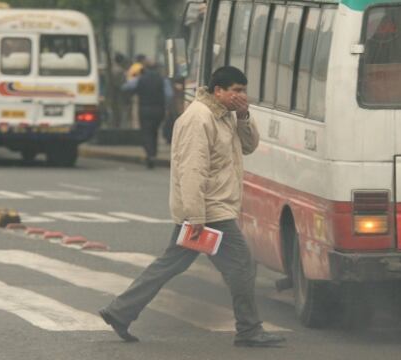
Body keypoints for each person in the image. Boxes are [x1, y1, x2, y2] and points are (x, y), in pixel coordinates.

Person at [99, 66, 286, 348]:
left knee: (169, 265)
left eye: (244, 91)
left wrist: (244, 115)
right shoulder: (199, 118)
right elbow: (192, 170)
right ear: (217, 91)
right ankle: (249, 329)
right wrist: (196, 215)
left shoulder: (224, 116)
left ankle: (119, 312)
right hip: (209, 211)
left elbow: (248, 146)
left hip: (209, 209)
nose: (240, 96)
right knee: (242, 265)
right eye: (235, 90)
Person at [121, 60, 171, 168]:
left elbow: (126, 87)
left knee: (146, 132)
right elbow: (169, 94)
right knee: (154, 131)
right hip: (159, 109)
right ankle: (153, 153)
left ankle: (150, 154)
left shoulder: (140, 79)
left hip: (144, 109)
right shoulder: (162, 80)